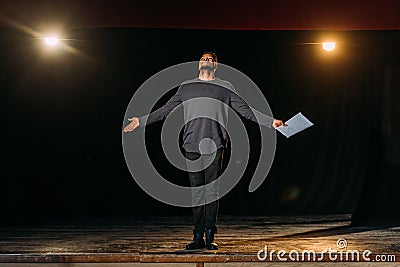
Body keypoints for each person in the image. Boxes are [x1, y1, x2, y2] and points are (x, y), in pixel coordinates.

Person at [123, 52, 286, 250]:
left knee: (211, 191)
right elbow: (165, 109)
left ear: (215, 66)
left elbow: (245, 110)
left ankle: (210, 235)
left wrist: (271, 122)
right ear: (198, 64)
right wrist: (141, 121)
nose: (206, 60)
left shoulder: (225, 87)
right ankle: (197, 236)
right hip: (191, 145)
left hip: (215, 145)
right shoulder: (186, 87)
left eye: (210, 59)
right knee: (197, 193)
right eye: (203, 58)